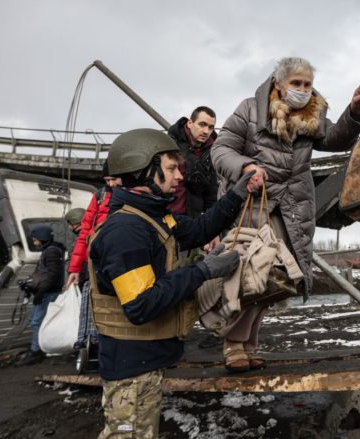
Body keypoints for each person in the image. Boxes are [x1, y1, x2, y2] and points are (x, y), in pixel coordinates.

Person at [89, 128, 257, 438]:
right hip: (130, 372)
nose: (179, 177)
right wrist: (204, 271)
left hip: (143, 361)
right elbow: (141, 304)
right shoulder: (126, 231)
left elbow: (199, 229)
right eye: (170, 169)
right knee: (127, 434)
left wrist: (237, 193)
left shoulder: (153, 217)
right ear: (142, 173)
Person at [210, 56, 360, 372]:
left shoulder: (311, 115)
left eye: (307, 84)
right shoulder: (249, 109)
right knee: (252, 276)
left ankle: (248, 344)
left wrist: (355, 111)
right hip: (254, 203)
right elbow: (221, 149)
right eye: (296, 83)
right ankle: (233, 343)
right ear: (279, 83)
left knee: (277, 280)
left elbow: (335, 138)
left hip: (292, 208)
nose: (302, 90)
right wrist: (245, 167)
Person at [65, 160, 121, 355]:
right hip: (97, 264)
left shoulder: (133, 194)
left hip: (118, 262)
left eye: (115, 179)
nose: (112, 183)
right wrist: (74, 269)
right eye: (108, 179)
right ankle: (92, 342)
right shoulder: (99, 196)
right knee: (93, 303)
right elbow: (84, 235)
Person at [17, 225, 66, 365]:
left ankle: (36, 352)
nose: (34, 242)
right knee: (35, 319)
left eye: (35, 239)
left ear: (42, 238)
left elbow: (52, 275)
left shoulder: (51, 252)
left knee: (36, 321)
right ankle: (38, 347)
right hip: (47, 291)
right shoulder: (51, 250)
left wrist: (41, 291)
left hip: (48, 293)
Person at [166, 106, 219, 218]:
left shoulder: (212, 152)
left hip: (193, 220)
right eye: (202, 124)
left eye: (210, 127)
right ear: (190, 123)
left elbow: (211, 191)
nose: (206, 131)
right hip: (165, 217)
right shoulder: (169, 145)